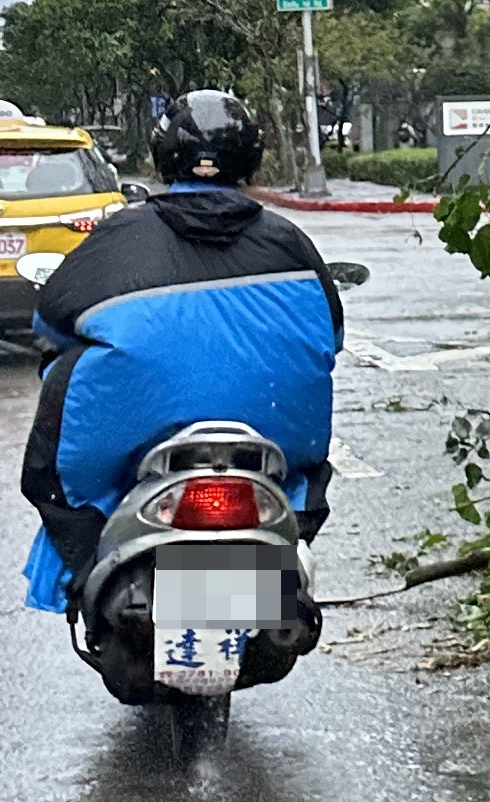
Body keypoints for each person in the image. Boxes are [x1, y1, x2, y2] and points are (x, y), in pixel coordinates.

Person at [19, 91, 346, 616]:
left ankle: (84, 580)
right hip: (274, 442)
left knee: (53, 472)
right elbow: (333, 336)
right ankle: (277, 579)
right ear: (250, 157)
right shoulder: (291, 243)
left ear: (164, 155)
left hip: (134, 440)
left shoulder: (118, 236)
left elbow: (49, 324)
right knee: (304, 480)